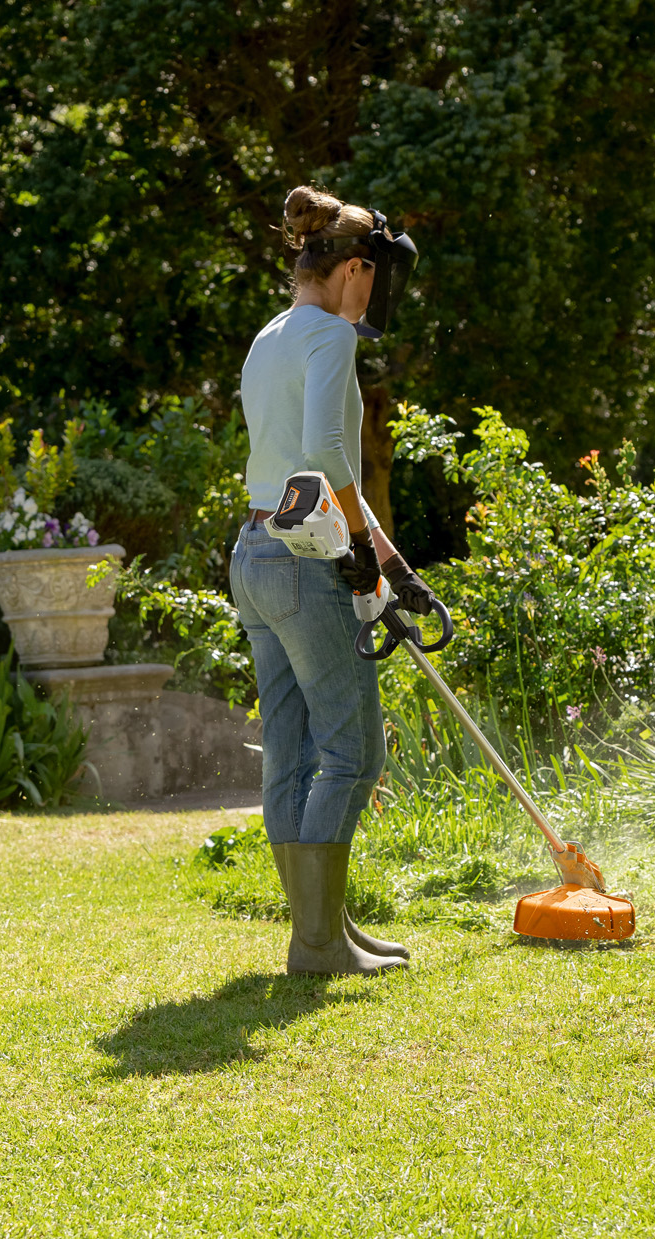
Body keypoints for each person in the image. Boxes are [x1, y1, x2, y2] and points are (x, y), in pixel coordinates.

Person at [230, 186, 438, 976]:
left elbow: (292, 468)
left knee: (288, 752)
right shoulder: (328, 336)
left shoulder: (271, 335)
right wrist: (355, 541)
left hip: (254, 555)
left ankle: (326, 929)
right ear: (356, 268)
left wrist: (388, 561)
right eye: (374, 279)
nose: (375, 297)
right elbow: (323, 447)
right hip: (306, 560)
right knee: (353, 752)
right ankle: (317, 942)